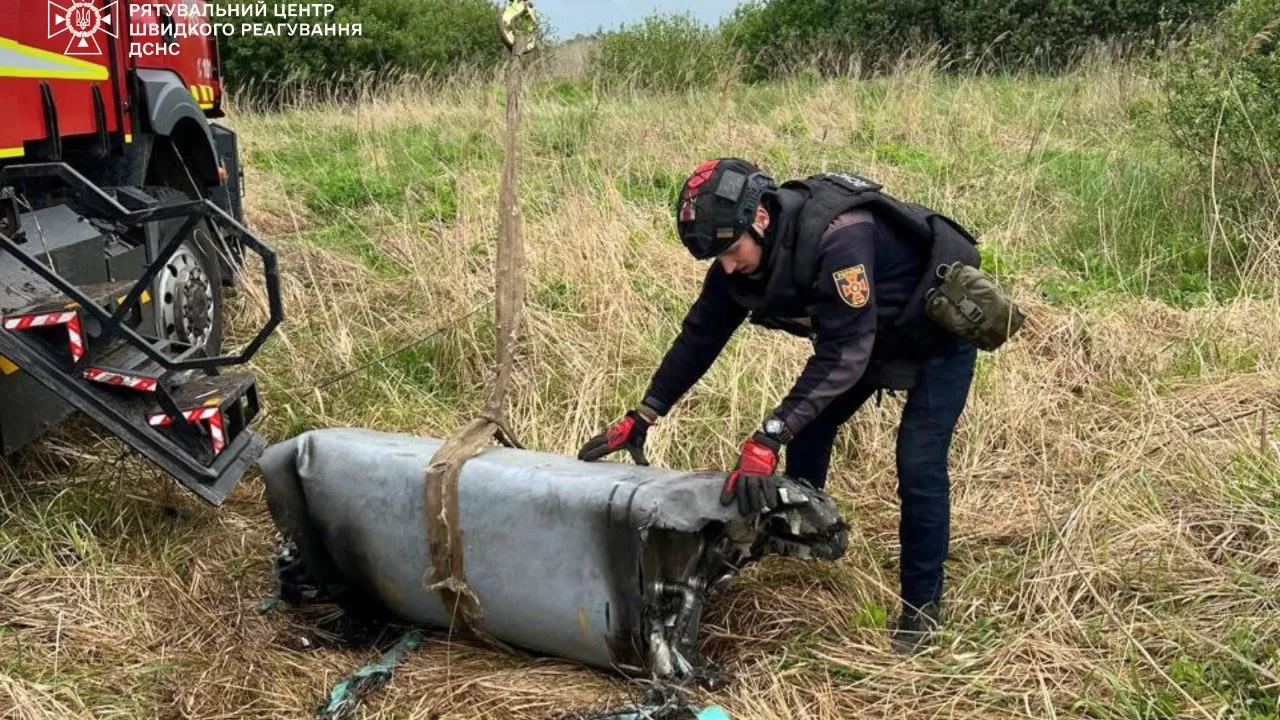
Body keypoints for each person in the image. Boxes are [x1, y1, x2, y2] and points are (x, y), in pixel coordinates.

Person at [577, 158, 985, 654]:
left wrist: (769, 435)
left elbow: (845, 354)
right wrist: (645, 413)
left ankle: (921, 611)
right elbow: (700, 336)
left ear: (761, 220)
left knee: (918, 464)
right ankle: (809, 541)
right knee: (809, 430)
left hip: (934, 336)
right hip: (865, 335)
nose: (726, 266)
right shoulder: (737, 261)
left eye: (730, 251)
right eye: (717, 259)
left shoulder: (841, 238)